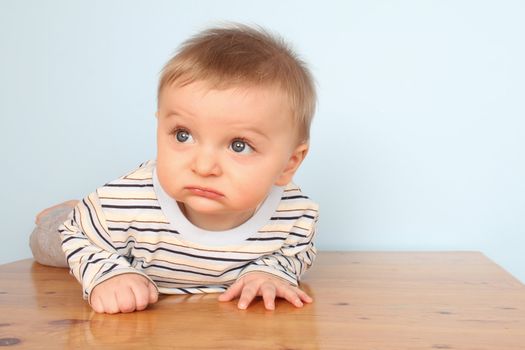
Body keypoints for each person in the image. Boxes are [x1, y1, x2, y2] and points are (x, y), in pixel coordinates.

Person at [39, 24, 319, 314]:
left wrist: (270, 273)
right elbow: (77, 235)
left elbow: (294, 252)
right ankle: (66, 211)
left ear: (289, 164)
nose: (203, 166)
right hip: (107, 233)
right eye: (183, 135)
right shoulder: (128, 203)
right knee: (55, 239)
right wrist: (111, 275)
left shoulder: (295, 214)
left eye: (239, 145)